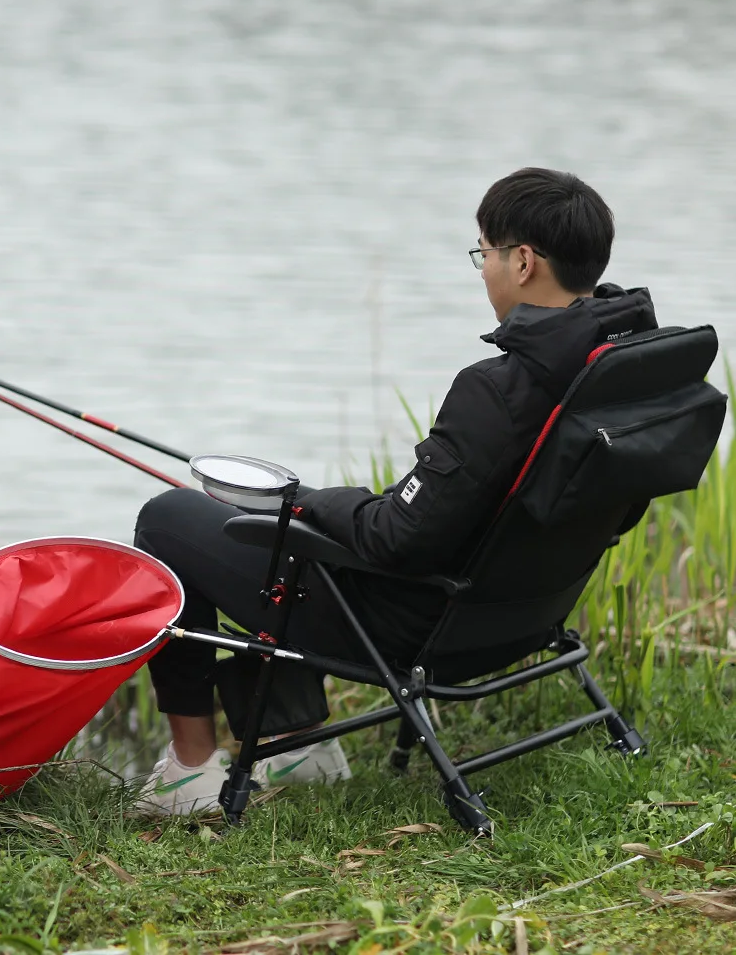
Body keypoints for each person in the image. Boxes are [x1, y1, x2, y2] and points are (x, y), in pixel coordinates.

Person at [135, 166, 658, 815]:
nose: (484, 270)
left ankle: (190, 771)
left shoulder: (498, 390)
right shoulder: (615, 366)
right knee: (286, 531)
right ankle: (300, 744)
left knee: (166, 519)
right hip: (524, 614)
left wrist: (312, 501)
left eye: (485, 254)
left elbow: (394, 537)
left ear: (523, 262)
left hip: (414, 628)